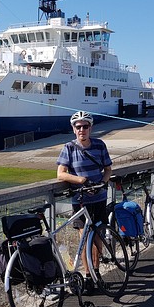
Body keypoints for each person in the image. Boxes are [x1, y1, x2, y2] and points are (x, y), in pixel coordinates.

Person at [56, 110, 112, 294]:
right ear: (73, 129)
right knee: (84, 238)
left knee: (97, 239)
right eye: (78, 127)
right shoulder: (69, 148)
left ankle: (97, 273)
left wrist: (103, 183)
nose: (82, 130)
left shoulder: (99, 145)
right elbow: (60, 174)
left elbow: (108, 169)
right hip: (81, 200)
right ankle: (88, 276)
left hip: (99, 198)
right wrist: (81, 181)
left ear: (91, 128)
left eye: (85, 126)